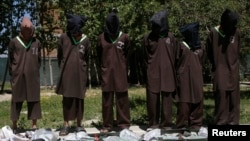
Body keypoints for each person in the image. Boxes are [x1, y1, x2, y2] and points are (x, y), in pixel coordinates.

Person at [55, 13, 90, 136]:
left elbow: (87, 57)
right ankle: (66, 125)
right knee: (67, 99)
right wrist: (65, 67)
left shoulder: (85, 40)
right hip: (67, 73)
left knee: (79, 99)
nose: (76, 33)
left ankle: (79, 124)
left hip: (81, 73)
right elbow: (59, 56)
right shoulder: (64, 38)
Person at [142, 9, 177, 130]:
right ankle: (153, 124)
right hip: (153, 72)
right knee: (152, 98)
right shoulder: (148, 37)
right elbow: (145, 55)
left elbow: (175, 55)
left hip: (168, 73)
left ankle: (167, 124)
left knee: (167, 99)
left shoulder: (171, 37)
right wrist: (150, 67)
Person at [96, 11, 131, 133]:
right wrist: (103, 68)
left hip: (120, 72)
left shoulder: (124, 37)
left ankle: (124, 124)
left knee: (122, 99)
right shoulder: (101, 38)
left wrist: (123, 67)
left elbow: (128, 54)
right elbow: (98, 55)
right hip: (107, 73)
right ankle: (107, 125)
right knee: (107, 100)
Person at [206, 9, 240, 125]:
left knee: (234, 99)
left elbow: (237, 50)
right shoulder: (214, 33)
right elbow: (209, 52)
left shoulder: (236, 32)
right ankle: (221, 122)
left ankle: (233, 122)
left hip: (233, 70)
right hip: (220, 70)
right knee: (221, 99)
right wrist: (216, 65)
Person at [8, 16, 42, 133]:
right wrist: (13, 72)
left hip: (33, 75)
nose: (29, 33)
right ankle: (15, 125)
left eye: (30, 30)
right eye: (26, 31)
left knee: (34, 99)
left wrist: (34, 70)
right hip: (18, 75)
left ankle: (34, 125)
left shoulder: (36, 42)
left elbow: (39, 59)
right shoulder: (14, 42)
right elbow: (10, 59)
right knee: (16, 99)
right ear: (22, 31)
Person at [175, 22, 205, 131]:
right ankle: (182, 126)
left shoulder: (201, 46)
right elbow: (176, 60)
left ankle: (196, 125)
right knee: (184, 101)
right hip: (183, 77)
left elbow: (203, 60)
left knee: (198, 99)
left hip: (197, 76)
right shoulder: (181, 45)